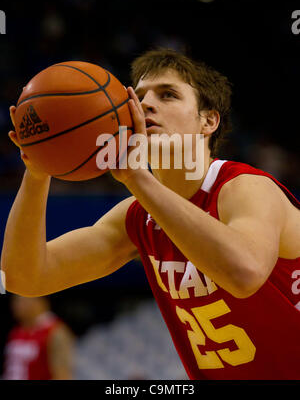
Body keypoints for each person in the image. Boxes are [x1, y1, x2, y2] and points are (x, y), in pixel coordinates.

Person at [2, 48, 300, 380]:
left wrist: (136, 177)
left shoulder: (245, 187)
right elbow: (24, 278)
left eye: (168, 94)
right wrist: (39, 170)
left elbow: (243, 274)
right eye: (139, 96)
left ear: (208, 121)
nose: (145, 105)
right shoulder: (136, 218)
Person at [2, 295, 74, 380]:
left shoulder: (55, 331)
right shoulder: (16, 331)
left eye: (22, 301)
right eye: (15, 301)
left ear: (40, 302)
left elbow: (62, 374)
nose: (16, 305)